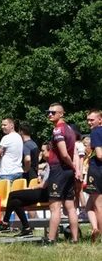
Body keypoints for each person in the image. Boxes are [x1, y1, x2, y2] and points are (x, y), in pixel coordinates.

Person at [43, 104, 79, 244]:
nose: (49, 115)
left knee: (55, 206)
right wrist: (73, 168)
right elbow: (73, 151)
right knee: (70, 205)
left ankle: (50, 240)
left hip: (59, 169)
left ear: (61, 114)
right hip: (67, 170)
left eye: (53, 112)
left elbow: (64, 154)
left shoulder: (58, 130)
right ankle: (75, 239)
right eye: (48, 112)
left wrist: (72, 166)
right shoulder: (70, 129)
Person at [85, 109, 102, 243]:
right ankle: (95, 228)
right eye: (88, 120)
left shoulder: (96, 132)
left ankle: (100, 234)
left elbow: (100, 154)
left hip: (96, 170)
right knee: (89, 206)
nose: (89, 122)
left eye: (92, 120)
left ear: (100, 120)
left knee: (98, 206)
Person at [0, 117, 24, 188]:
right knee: (16, 197)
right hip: (18, 171)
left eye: (5, 125)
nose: (2, 127)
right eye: (2, 125)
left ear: (11, 126)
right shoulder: (19, 137)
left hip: (7, 173)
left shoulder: (6, 138)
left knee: (4, 197)